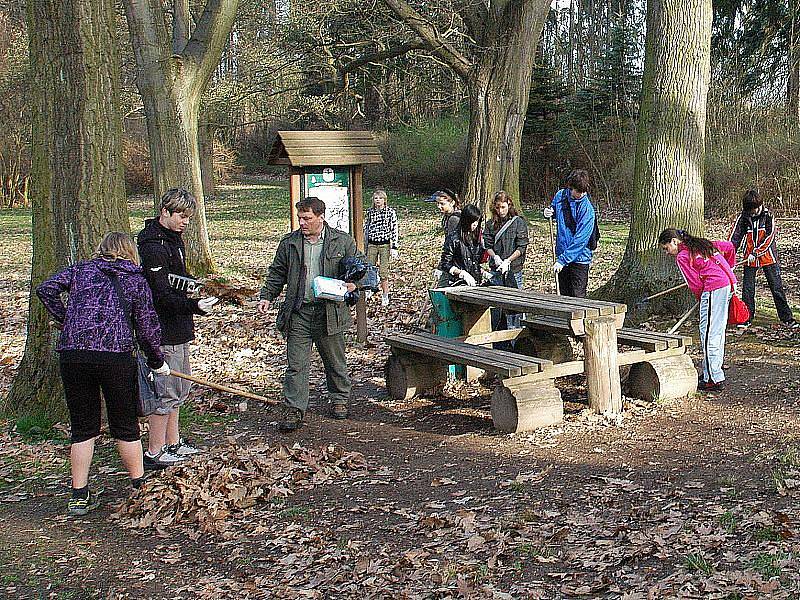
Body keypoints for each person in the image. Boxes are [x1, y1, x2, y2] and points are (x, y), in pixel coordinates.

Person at [36, 232, 169, 516]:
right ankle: (138, 486)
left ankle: (79, 494)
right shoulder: (135, 279)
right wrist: (157, 359)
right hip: (116, 357)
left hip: (74, 355)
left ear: (102, 250)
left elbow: (46, 289)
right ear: (130, 252)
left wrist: (66, 318)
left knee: (83, 427)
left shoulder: (81, 270)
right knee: (125, 424)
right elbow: (147, 326)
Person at [258, 196, 362, 432]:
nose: (302, 223)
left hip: (330, 312)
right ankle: (294, 409)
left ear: (321, 217)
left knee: (335, 361)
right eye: (300, 218)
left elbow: (361, 269)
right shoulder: (290, 243)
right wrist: (267, 296)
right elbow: (277, 273)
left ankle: (339, 400)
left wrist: (354, 285)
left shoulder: (342, 241)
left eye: (307, 218)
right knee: (296, 365)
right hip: (299, 313)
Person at [137, 188, 218, 469]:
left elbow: (177, 279)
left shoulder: (175, 239)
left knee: (180, 386)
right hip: (163, 329)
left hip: (179, 326)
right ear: (165, 212)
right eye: (181, 216)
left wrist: (194, 286)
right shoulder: (153, 245)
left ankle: (174, 442)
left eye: (188, 217)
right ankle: (155, 451)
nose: (185, 221)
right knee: (165, 390)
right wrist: (194, 306)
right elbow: (160, 293)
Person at [659, 228, 737, 392]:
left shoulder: (682, 256)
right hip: (728, 285)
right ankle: (711, 372)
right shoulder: (703, 244)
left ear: (674, 241)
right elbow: (729, 247)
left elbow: (694, 283)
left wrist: (703, 299)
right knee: (716, 331)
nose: (667, 253)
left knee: (708, 332)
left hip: (714, 288)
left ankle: (713, 379)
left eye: (666, 248)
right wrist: (729, 269)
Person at [728, 189, 798, 330]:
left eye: (755, 209)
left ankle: (787, 318)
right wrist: (728, 259)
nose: (753, 212)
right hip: (750, 259)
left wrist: (756, 252)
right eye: (750, 210)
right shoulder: (743, 218)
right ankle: (746, 318)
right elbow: (734, 239)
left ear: (761, 205)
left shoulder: (768, 217)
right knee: (748, 290)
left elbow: (769, 238)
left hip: (768, 257)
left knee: (776, 288)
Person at [543, 169, 596, 298]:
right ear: (570, 188)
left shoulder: (587, 210)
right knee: (564, 297)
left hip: (580, 259)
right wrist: (549, 213)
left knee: (577, 299)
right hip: (562, 253)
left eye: (583, 191)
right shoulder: (560, 196)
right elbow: (555, 211)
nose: (581, 194)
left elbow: (581, 240)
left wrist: (562, 260)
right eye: (578, 191)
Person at [484, 190, 529, 329]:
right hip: (496, 270)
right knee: (497, 307)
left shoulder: (518, 222)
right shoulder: (491, 224)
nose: (500, 210)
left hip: (513, 270)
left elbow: (521, 247)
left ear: (509, 205)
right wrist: (495, 257)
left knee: (515, 306)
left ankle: (517, 336)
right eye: (497, 207)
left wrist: (508, 260)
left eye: (503, 207)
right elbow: (487, 245)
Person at [363, 189, 399, 307]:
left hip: (384, 244)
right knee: (369, 268)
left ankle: (385, 295)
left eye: (380, 198)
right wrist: (364, 244)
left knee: (383, 272)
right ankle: (369, 290)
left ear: (384, 200)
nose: (378, 200)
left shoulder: (390, 212)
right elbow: (366, 228)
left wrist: (394, 246)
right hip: (372, 244)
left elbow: (394, 229)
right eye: (376, 198)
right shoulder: (370, 212)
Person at [440, 204, 486, 287]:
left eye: (477, 222)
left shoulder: (476, 238)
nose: (475, 225)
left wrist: (482, 272)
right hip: (457, 283)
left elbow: (475, 261)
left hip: (474, 282)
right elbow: (445, 263)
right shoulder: (454, 239)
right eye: (473, 222)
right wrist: (461, 273)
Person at [427, 189, 461, 286]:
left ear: (452, 202)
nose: (439, 206)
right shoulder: (446, 217)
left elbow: (450, 245)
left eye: (442, 203)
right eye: (437, 203)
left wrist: (441, 266)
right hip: (451, 259)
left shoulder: (454, 219)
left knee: (443, 288)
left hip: (456, 260)